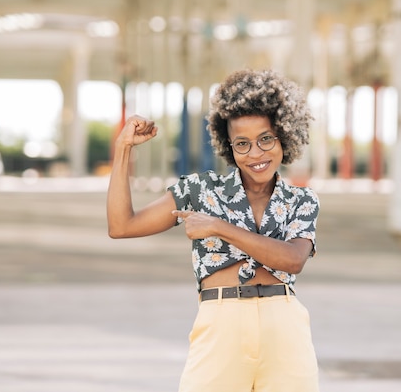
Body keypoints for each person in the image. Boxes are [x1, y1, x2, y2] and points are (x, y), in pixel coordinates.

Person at [107, 68, 320, 392]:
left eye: (266, 139)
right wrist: (123, 149)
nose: (256, 154)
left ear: (284, 135)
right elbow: (122, 226)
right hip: (221, 322)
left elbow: (292, 260)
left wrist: (219, 227)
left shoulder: (301, 199)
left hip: (284, 325)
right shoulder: (200, 190)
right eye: (242, 144)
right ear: (228, 146)